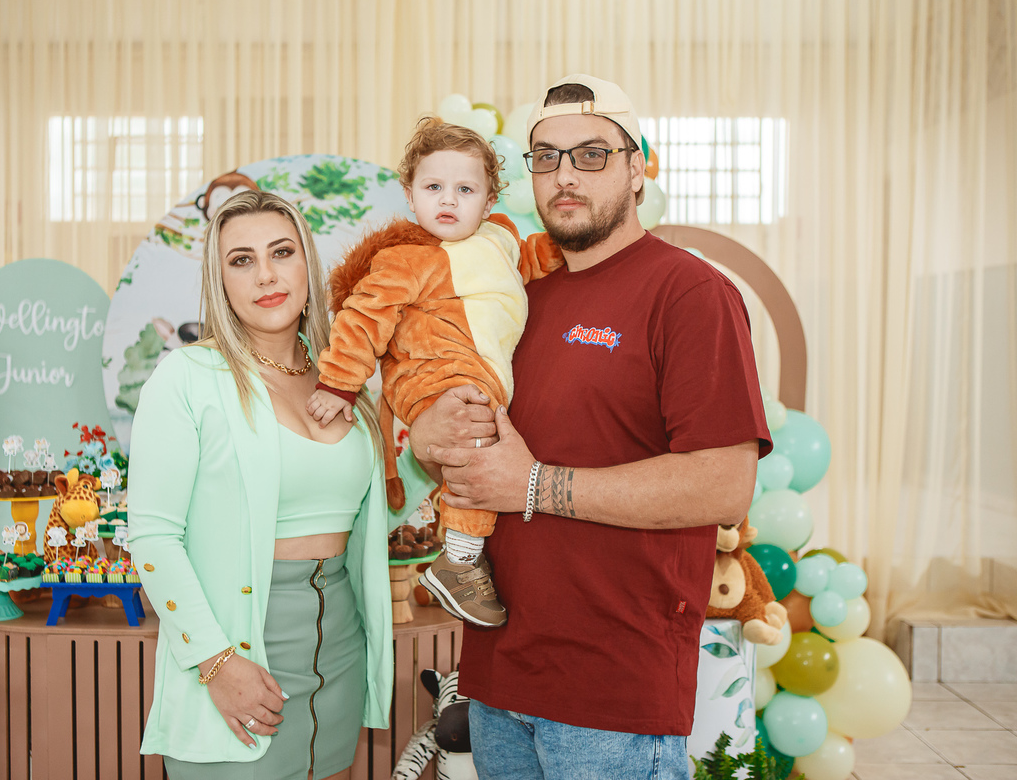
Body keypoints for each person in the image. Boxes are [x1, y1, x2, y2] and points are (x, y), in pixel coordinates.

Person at [408, 75, 773, 779]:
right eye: (546, 157)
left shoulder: (689, 293)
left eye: (592, 154)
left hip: (613, 697)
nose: (565, 175)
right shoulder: (515, 297)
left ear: (638, 168)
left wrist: (535, 486)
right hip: (497, 679)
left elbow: (724, 486)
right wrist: (429, 432)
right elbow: (467, 448)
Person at [126, 190, 431, 780]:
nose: (265, 274)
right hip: (237, 656)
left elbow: (379, 514)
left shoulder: (346, 380)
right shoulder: (187, 377)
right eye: (241, 260)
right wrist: (215, 662)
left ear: (307, 265)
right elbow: (153, 539)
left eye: (281, 252)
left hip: (339, 650)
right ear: (220, 281)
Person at [305, 117, 562, 628]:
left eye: (465, 189)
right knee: (474, 439)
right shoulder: (408, 259)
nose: (448, 200)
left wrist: (569, 247)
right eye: (433, 187)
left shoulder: (501, 238)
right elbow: (363, 316)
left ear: (489, 201)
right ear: (410, 195)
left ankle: (463, 546)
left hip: (479, 371)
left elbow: (529, 261)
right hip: (430, 372)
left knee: (490, 443)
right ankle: (460, 559)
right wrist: (339, 382)